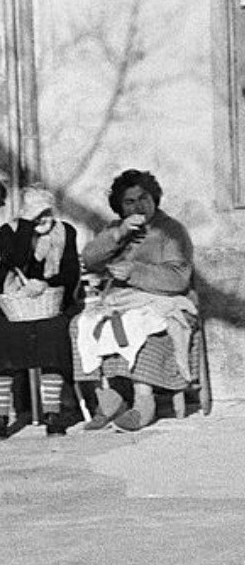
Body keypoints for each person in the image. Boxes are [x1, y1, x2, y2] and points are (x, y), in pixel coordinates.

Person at [74, 169, 197, 432]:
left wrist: (134, 271)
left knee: (137, 324)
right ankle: (110, 399)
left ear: (154, 198)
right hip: (121, 301)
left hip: (162, 299)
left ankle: (144, 402)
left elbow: (179, 278)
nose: (138, 206)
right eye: (129, 202)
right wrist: (118, 234)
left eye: (143, 198)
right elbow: (89, 259)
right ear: (120, 206)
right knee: (81, 324)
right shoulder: (116, 228)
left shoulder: (171, 231)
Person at [0, 185, 82, 439]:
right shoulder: (8, 232)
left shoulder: (65, 232)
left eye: (46, 212)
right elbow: (15, 260)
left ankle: (53, 413)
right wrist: (26, 227)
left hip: (52, 299)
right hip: (11, 300)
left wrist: (46, 284)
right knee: (1, 332)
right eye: (36, 213)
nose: (42, 218)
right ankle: (0, 415)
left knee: (53, 331)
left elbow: (71, 273)